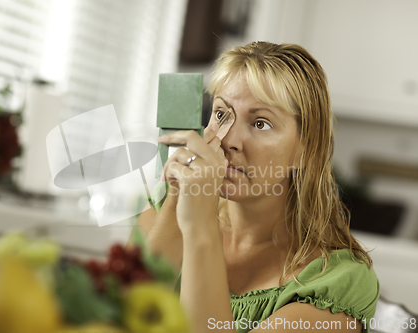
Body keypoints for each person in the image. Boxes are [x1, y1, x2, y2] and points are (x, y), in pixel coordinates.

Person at [128, 41, 379, 333]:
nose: (228, 139)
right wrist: (175, 201)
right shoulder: (166, 206)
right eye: (221, 114)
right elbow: (116, 319)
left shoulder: (337, 283)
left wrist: (199, 227)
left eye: (260, 123)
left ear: (307, 150)